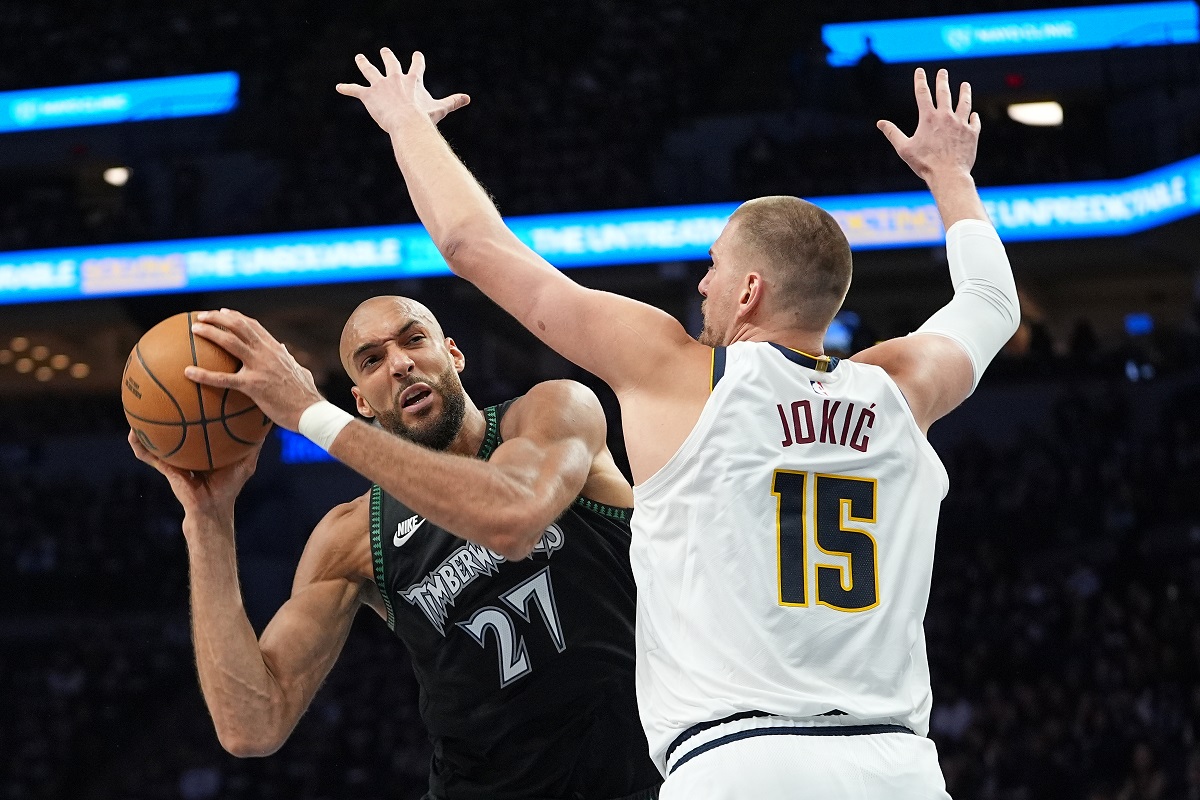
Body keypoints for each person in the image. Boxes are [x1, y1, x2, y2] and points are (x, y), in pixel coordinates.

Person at [335, 51, 1020, 798]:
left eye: (714, 265)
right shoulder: (900, 388)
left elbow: (474, 247)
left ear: (751, 289)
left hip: (737, 763)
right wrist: (951, 174)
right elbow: (991, 303)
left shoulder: (682, 375)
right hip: (897, 767)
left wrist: (407, 125)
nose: (702, 282)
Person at [129, 295, 663, 800]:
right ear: (361, 402)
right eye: (371, 360)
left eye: (413, 340)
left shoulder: (552, 410)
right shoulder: (353, 535)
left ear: (452, 353)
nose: (400, 364)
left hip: (643, 777)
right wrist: (208, 521)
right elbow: (252, 724)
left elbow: (513, 517)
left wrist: (311, 414)